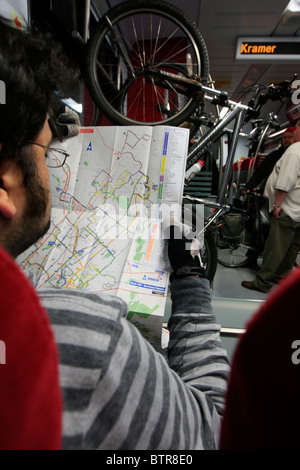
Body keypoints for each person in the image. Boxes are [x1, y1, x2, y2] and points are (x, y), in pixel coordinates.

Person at [0, 18, 229, 450]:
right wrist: (192, 282)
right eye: (47, 155)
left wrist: (43, 131)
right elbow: (213, 428)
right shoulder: (83, 340)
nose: (52, 171)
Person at [241, 120, 300, 293]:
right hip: (298, 208)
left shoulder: (295, 151)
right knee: (291, 247)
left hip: (288, 207)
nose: (294, 133)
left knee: (275, 246)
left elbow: (285, 181)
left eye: (296, 128)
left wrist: (277, 205)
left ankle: (263, 282)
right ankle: (281, 277)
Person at [242, 127, 295, 194]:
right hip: (272, 191)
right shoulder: (275, 155)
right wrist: (249, 187)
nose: (286, 139)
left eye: (290, 137)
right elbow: (261, 171)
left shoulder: (296, 155)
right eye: (284, 137)